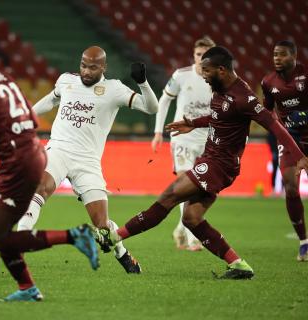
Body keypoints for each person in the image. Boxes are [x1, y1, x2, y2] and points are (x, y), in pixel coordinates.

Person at [95, 46, 308, 279]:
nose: (203, 75)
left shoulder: (244, 98)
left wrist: (300, 156)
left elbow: (275, 126)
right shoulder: (220, 88)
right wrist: (193, 123)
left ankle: (114, 237)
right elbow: (218, 117)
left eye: (206, 71)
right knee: (190, 218)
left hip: (220, 164)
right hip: (212, 159)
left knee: (169, 196)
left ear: (222, 70)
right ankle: (238, 265)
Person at [0, 32, 99, 302]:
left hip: (18, 163)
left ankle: (75, 236)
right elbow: (29, 114)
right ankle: (27, 288)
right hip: (32, 152)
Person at [15, 46, 159, 273]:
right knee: (40, 188)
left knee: (101, 224)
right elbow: (50, 101)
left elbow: (152, 108)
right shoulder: (65, 81)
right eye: (83, 65)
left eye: (93, 67)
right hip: (58, 150)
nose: (87, 71)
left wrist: (142, 83)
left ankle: (123, 254)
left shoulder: (114, 89)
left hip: (88, 161)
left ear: (104, 67)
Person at [152, 36, 215, 251]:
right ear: (193, 55)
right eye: (198, 55)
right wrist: (158, 131)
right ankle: (192, 237)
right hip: (182, 137)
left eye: (206, 55)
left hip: (207, 139)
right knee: (183, 183)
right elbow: (165, 99)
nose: (201, 59)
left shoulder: (218, 79)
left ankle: (181, 227)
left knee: (199, 188)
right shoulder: (182, 75)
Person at [261, 40, 308, 261]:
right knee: (290, 188)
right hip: (289, 139)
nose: (276, 58)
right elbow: (268, 110)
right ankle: (304, 243)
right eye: (274, 55)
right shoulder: (268, 82)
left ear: (294, 56)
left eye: (281, 55)